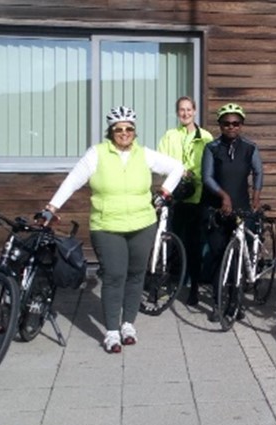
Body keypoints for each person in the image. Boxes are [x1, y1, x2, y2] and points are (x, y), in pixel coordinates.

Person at [43, 106, 184, 353]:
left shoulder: (145, 154)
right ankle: (111, 331)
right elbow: (72, 181)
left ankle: (128, 324)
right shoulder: (96, 154)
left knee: (136, 274)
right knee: (114, 275)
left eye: (129, 129)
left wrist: (164, 193)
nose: (124, 133)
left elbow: (177, 168)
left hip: (143, 224)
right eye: (118, 129)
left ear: (135, 131)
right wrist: (52, 206)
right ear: (111, 132)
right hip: (107, 226)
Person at [201, 103, 264, 322]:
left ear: (242, 124)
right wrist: (223, 196)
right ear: (220, 125)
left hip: (242, 210)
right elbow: (207, 177)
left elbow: (258, 171)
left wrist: (256, 196)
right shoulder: (212, 148)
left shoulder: (250, 147)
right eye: (226, 123)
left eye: (236, 123)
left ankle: (236, 302)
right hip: (217, 210)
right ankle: (219, 304)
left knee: (238, 256)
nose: (231, 127)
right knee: (219, 256)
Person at [156, 96, 214, 306]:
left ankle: (194, 288)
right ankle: (168, 284)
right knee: (171, 242)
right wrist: (177, 173)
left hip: (197, 198)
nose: (185, 113)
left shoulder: (206, 137)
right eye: (182, 110)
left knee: (194, 245)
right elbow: (160, 162)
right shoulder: (169, 136)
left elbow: (209, 165)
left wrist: (192, 174)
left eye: (189, 110)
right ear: (177, 112)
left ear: (195, 111)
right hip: (175, 196)